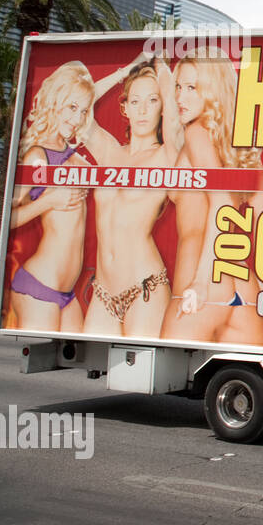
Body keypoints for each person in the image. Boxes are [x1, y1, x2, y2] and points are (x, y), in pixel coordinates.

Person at [160, 48, 263, 346]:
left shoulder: (196, 134)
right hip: (243, 288)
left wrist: (201, 281)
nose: (181, 97)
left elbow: (221, 202)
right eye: (179, 87)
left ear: (212, 90)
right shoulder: (239, 144)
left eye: (192, 88)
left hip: (204, 280)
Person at [78, 56, 181, 338]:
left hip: (145, 288)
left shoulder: (166, 156)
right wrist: (127, 69)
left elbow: (174, 112)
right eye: (135, 102)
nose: (143, 110)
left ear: (162, 107)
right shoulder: (109, 152)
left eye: (152, 101)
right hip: (102, 292)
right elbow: (78, 105)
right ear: (124, 108)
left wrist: (159, 62)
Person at [5, 62, 95, 332]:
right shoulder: (38, 156)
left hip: (66, 293)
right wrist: (48, 201)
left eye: (83, 110)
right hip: (39, 285)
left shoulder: (75, 158)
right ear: (55, 102)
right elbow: (8, 218)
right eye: (71, 107)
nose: (77, 118)